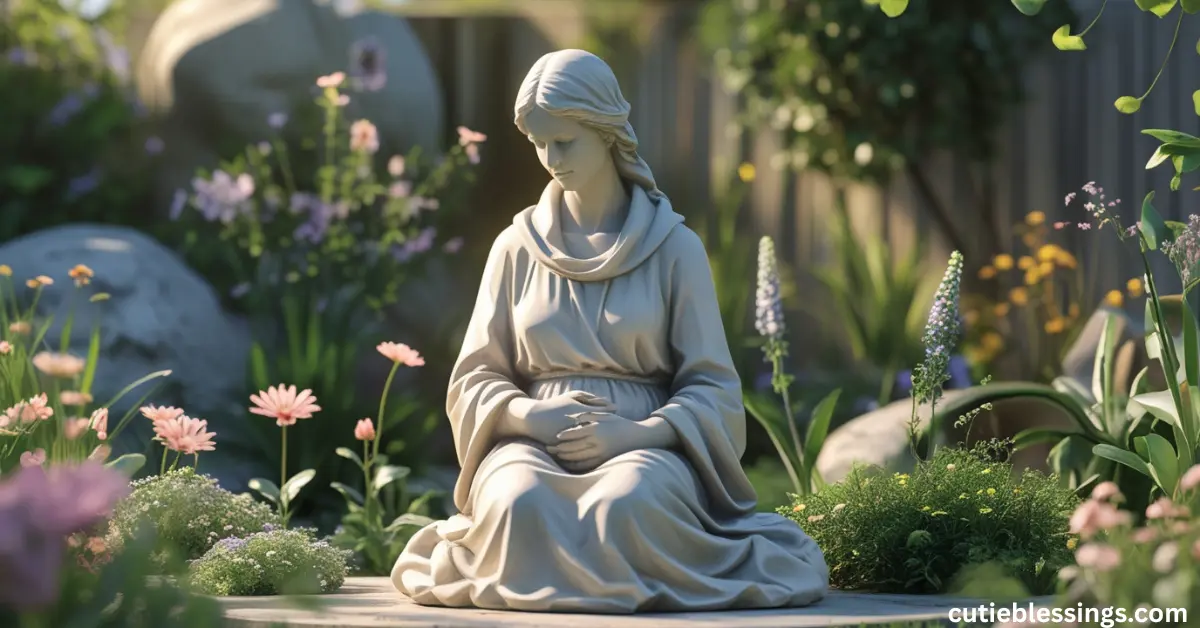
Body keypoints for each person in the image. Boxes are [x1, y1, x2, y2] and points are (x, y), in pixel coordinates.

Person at [390, 48, 828, 613]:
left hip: (645, 441)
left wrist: (637, 434)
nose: (551, 159)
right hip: (531, 442)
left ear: (605, 132)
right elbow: (474, 376)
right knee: (518, 502)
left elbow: (714, 390)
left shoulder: (674, 248)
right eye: (539, 143)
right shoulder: (515, 248)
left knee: (625, 504)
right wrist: (528, 416)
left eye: (565, 141)